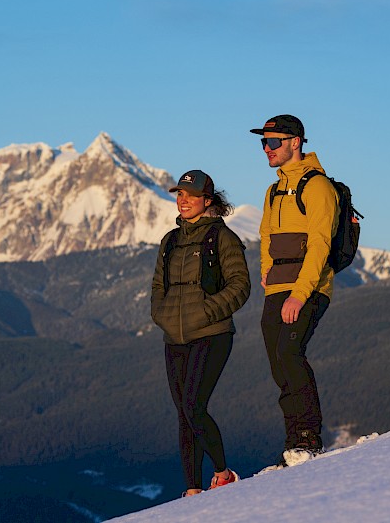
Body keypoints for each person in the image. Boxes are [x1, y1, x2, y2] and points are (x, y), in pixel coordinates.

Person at [151, 170, 251, 496]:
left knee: (194, 405)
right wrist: (161, 315)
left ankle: (222, 472)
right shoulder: (170, 240)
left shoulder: (223, 239)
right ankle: (192, 490)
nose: (182, 201)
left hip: (212, 333)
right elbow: (158, 286)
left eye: (190, 196)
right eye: (179, 194)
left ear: (207, 200)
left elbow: (240, 286)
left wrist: (207, 312)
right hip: (174, 337)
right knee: (184, 414)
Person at [250, 114, 339, 465]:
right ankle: (293, 443)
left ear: (295, 142)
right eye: (264, 143)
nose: (267, 149)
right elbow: (265, 236)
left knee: (289, 353)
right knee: (278, 363)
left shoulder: (317, 186)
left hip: (309, 287)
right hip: (278, 288)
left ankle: (308, 437)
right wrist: (266, 273)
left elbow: (320, 244)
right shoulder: (273, 190)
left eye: (273, 142)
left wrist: (300, 293)